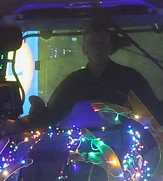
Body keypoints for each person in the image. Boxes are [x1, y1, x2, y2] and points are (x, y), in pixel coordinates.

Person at [26, 18, 155, 129]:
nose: (97, 48)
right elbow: (53, 115)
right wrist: (36, 115)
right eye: (92, 43)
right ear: (84, 49)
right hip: (80, 146)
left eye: (102, 43)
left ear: (110, 47)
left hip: (122, 145)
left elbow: (152, 112)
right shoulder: (73, 83)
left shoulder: (130, 78)